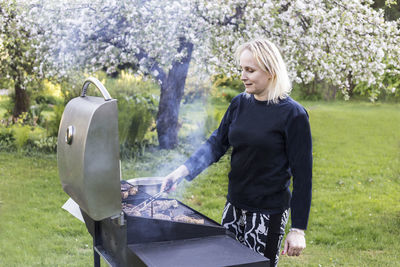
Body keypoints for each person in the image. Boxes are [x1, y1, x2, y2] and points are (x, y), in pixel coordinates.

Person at [161, 39, 312, 267]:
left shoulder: (294, 115)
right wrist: (180, 171)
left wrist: (298, 229)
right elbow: (216, 143)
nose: (242, 75)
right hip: (233, 207)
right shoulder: (239, 103)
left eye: (250, 70)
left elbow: (303, 176)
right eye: (242, 69)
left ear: (271, 72)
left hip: (267, 214)